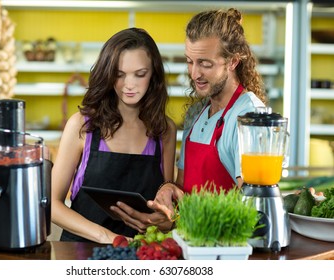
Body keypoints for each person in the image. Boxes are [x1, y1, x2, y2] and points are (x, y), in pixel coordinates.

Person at [51, 27, 177, 243]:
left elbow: (163, 208)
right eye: (119, 75)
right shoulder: (82, 126)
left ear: (153, 75)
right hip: (80, 254)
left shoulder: (164, 131)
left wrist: (167, 221)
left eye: (140, 74)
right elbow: (52, 205)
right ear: (108, 74)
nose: (129, 85)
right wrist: (109, 237)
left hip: (141, 254)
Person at [148, 8, 268, 218]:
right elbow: (183, 189)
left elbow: (253, 206)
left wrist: (198, 217)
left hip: (227, 245)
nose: (195, 74)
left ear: (233, 62)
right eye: (189, 61)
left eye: (205, 64)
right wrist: (169, 192)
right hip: (192, 240)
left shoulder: (250, 116)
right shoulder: (196, 113)